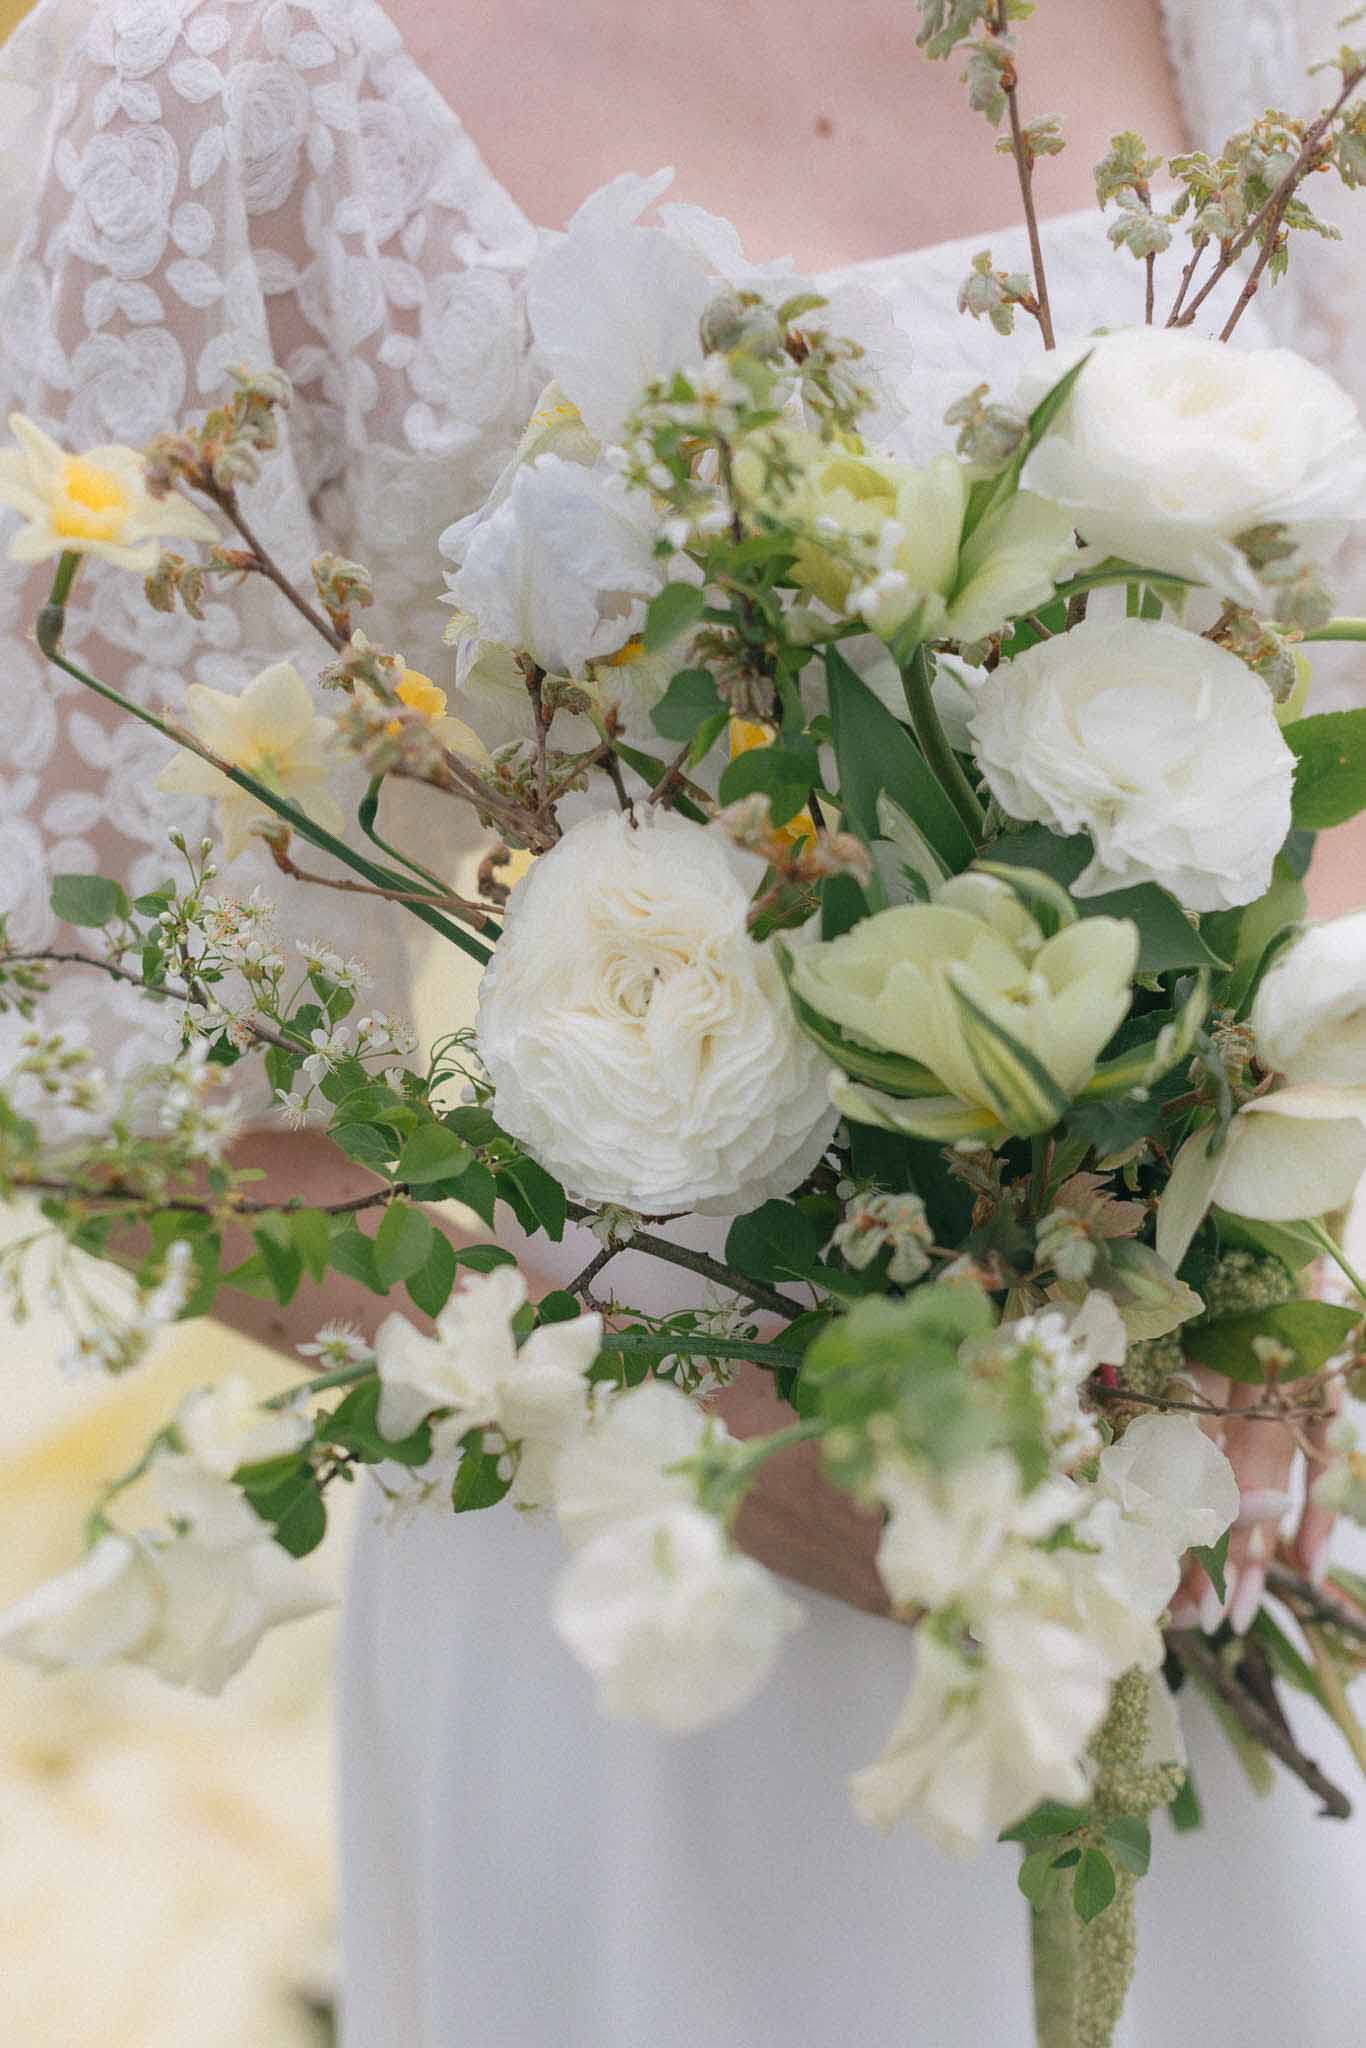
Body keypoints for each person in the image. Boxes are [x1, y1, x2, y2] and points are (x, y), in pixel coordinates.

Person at [0, 1, 1362, 2042]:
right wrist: (729, 1439)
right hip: (686, 1611)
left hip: (1269, 1446)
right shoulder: (199, 79)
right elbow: (136, 1099)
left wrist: (1264, 1254)